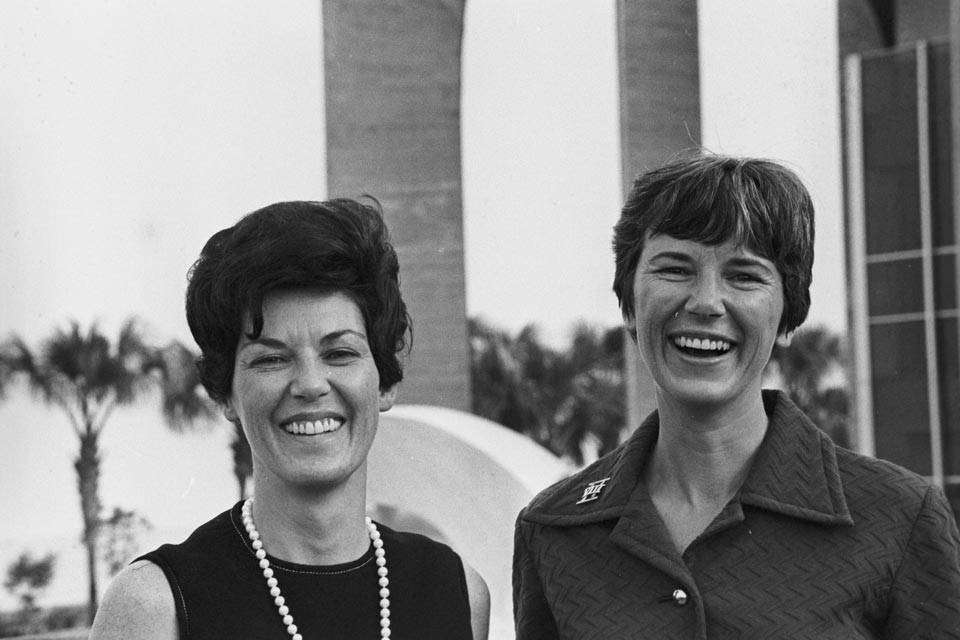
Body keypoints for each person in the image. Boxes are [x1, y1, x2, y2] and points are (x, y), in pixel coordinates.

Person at [513, 154, 960, 639]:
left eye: (744, 275)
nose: (705, 302)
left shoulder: (898, 517)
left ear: (788, 317)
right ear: (628, 304)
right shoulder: (555, 530)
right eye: (674, 269)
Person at [90, 199, 490, 639]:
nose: (311, 384)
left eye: (339, 353)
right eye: (271, 359)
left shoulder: (456, 592)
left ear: (385, 383)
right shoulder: (156, 605)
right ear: (226, 393)